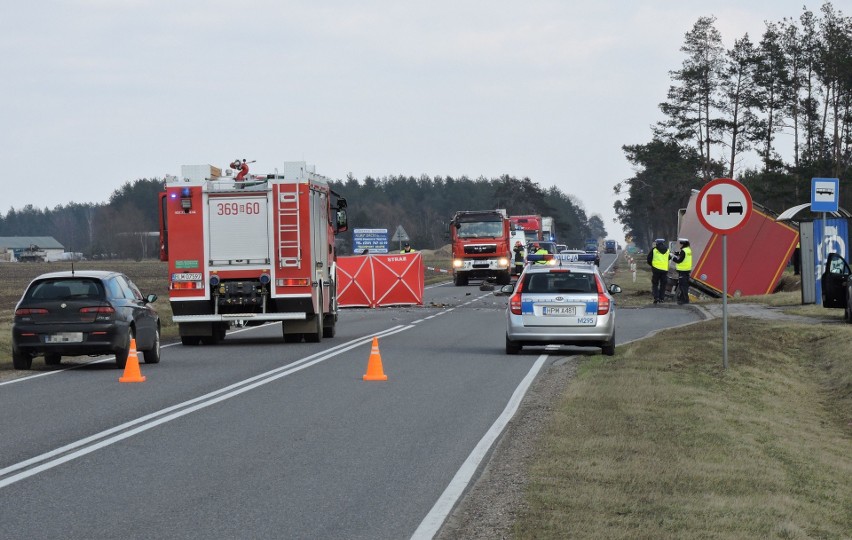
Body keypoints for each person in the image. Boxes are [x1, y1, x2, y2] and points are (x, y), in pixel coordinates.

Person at [670, 238, 693, 305]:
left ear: (683, 244)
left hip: (683, 270)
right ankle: (682, 299)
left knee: (683, 286)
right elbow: (682, 255)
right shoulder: (688, 250)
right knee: (684, 285)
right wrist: (677, 253)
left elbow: (679, 260)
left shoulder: (683, 251)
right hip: (687, 270)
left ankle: (685, 300)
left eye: (680, 244)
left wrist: (672, 257)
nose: (679, 245)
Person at [646, 238, 669, 304]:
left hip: (656, 270)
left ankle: (656, 298)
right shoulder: (667, 250)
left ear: (657, 243)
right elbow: (669, 258)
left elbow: (648, 259)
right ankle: (662, 299)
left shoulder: (654, 250)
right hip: (664, 270)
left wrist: (653, 265)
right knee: (663, 285)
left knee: (655, 284)